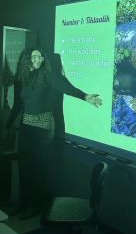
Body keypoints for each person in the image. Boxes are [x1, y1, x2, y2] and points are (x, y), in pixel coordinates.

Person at [3, 47, 102, 220]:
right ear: (26, 59)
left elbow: (66, 88)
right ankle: (23, 203)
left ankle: (36, 205)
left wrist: (85, 96)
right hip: (26, 125)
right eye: (34, 57)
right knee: (24, 167)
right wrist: (8, 126)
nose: (37, 60)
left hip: (44, 127)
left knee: (38, 168)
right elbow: (18, 104)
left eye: (40, 57)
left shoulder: (48, 75)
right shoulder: (22, 78)